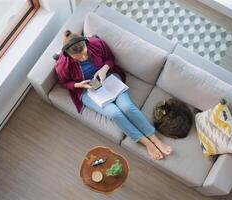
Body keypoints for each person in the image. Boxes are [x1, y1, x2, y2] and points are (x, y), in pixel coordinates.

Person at [54, 30, 172, 160]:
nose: (83, 58)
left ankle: (154, 139)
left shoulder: (96, 44)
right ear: (69, 55)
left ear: (86, 44)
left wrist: (104, 69)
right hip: (87, 90)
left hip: (108, 78)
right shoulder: (63, 64)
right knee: (114, 113)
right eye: (78, 57)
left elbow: (110, 59)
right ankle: (146, 143)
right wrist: (79, 85)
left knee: (127, 106)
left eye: (84, 53)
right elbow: (65, 83)